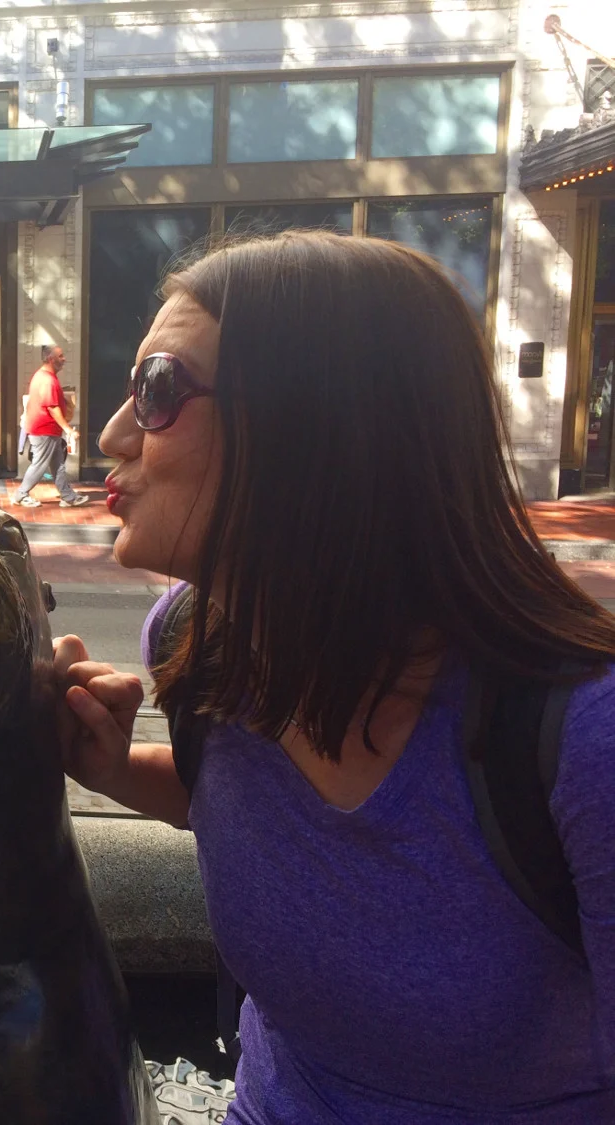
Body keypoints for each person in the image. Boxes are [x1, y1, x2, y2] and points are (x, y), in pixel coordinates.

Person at [55, 231, 615, 1121]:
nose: (110, 434)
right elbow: (275, 810)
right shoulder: (194, 639)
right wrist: (115, 768)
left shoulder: (585, 739)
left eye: (156, 389)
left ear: (311, 424)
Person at [12, 344, 86, 508]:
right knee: (40, 464)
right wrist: (68, 430)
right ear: (51, 359)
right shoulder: (47, 380)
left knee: (58, 464)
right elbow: (52, 408)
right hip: (44, 430)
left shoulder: (43, 377)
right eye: (60, 356)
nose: (64, 359)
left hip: (45, 429)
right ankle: (21, 495)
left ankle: (68, 496)